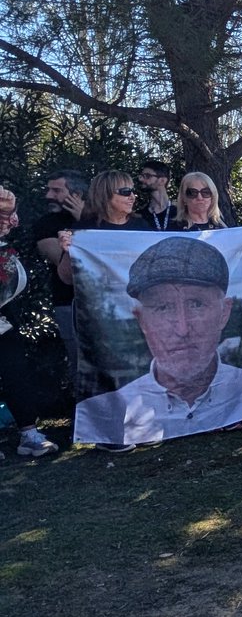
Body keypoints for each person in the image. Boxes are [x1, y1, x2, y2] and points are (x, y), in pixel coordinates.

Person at [72, 236, 242, 447]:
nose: (182, 329)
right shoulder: (108, 408)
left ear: (224, 313)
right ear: (142, 321)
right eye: (163, 307)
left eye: (196, 304)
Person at [0, 186, 60, 459]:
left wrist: (8, 206)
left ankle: (29, 434)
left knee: (15, 370)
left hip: (4, 316)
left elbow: (10, 224)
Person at [32, 170, 87, 388]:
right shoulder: (46, 224)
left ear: (77, 193)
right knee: (80, 363)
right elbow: (61, 263)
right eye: (48, 189)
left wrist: (86, 219)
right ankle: (82, 416)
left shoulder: (101, 217)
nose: (48, 195)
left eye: (56, 190)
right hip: (68, 302)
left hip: (106, 301)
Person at [56, 171, 152, 286]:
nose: (132, 197)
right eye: (125, 192)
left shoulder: (142, 226)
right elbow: (66, 278)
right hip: (99, 300)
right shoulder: (85, 229)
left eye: (132, 191)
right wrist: (69, 252)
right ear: (105, 195)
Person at [137, 159, 178, 231]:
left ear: (162, 181)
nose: (141, 179)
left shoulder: (181, 212)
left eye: (147, 176)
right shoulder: (140, 216)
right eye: (141, 176)